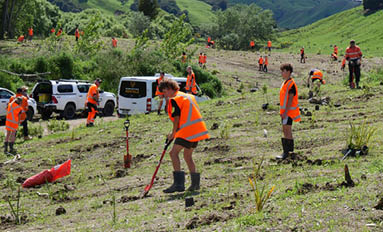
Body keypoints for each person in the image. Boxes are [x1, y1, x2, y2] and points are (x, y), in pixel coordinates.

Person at [158, 78, 209, 193]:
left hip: (188, 131)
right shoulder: (187, 96)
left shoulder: (176, 99)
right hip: (197, 130)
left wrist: (173, 133)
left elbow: (177, 118)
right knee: (187, 155)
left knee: (173, 153)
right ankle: (195, 185)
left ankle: (178, 184)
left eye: (165, 92)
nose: (164, 95)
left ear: (170, 89)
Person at [276, 64, 301, 160]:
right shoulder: (285, 83)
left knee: (287, 130)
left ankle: (287, 152)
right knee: (285, 130)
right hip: (285, 112)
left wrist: (286, 112)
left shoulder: (291, 84)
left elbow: (290, 98)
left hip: (289, 112)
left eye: (283, 71)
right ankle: (288, 152)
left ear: (289, 72)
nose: (282, 73)